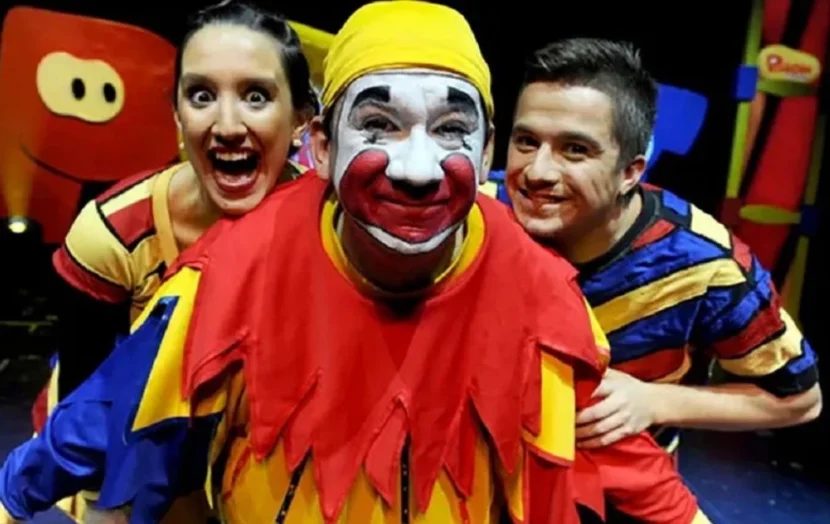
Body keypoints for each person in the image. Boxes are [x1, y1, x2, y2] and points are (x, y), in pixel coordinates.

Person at [1, 4, 706, 523]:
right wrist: (10, 497)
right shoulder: (232, 272)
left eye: (452, 130)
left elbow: (620, 457)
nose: (418, 169)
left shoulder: (541, 293)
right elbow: (111, 409)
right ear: (321, 148)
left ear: (487, 150)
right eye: (378, 125)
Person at [503, 36, 821, 513]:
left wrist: (653, 401)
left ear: (630, 171)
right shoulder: (480, 217)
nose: (537, 171)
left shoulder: (707, 264)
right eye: (527, 142)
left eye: (575, 150)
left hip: (620, 499)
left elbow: (801, 400)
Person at [27, 0, 317, 521]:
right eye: (202, 95)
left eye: (256, 96)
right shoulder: (113, 234)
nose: (227, 125)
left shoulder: (330, 228)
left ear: (301, 119)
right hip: (128, 454)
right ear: (178, 115)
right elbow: (88, 410)